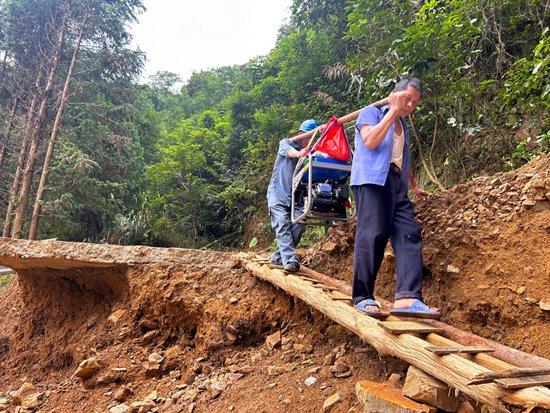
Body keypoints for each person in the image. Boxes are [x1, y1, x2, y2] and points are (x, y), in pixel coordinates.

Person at [351, 77, 439, 319]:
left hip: (396, 184)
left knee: (409, 232)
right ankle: (362, 295)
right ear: (395, 94)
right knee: (373, 234)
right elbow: (370, 141)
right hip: (371, 179)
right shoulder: (372, 112)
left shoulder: (404, 126)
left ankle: (408, 297)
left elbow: (400, 158)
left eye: (415, 102)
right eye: (407, 98)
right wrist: (392, 111)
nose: (410, 105)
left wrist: (413, 185)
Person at [267, 119, 320, 273]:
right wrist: (299, 153)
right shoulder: (287, 144)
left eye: (313, 138)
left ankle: (278, 258)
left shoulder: (312, 153)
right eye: (307, 137)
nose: (310, 141)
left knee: (299, 223)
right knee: (282, 222)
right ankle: (290, 260)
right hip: (277, 194)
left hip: (294, 199)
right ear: (299, 134)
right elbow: (288, 151)